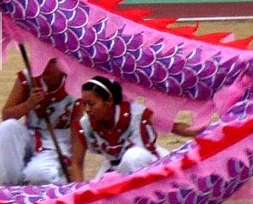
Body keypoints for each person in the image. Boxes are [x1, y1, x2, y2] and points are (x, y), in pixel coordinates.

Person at [69, 76, 197, 182]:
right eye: (84, 104)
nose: (87, 109)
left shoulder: (135, 113)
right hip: (115, 169)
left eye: (91, 104)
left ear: (109, 101)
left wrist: (207, 131)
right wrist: (77, 193)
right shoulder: (85, 124)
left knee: (132, 157)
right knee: (94, 198)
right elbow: (76, 163)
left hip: (149, 162)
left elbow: (174, 127)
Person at [0, 57, 76, 185]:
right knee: (7, 127)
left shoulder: (75, 81)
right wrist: (28, 104)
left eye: (52, 62)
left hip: (58, 140)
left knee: (38, 175)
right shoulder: (28, 78)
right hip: (30, 134)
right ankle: (11, 186)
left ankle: (59, 179)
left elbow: (78, 126)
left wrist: (75, 163)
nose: (45, 66)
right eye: (42, 60)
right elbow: (6, 114)